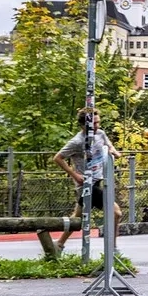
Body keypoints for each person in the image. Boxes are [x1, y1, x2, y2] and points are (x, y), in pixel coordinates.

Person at [53, 107, 121, 251]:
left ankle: (58, 244)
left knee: (77, 217)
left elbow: (109, 146)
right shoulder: (77, 142)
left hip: (97, 180)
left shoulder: (100, 134)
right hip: (86, 185)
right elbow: (58, 158)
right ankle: (113, 248)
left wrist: (114, 152)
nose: (97, 126)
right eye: (93, 124)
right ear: (83, 125)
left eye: (98, 122)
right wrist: (75, 175)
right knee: (116, 213)